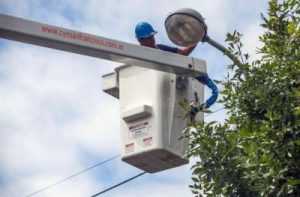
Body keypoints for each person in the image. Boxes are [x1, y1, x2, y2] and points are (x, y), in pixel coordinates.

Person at [135, 21, 218, 115]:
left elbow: (183, 53)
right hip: (151, 97)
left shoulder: (160, 49)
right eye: (148, 38)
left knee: (215, 92)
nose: (152, 39)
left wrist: (198, 38)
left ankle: (194, 110)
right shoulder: (134, 56)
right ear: (140, 40)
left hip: (170, 92)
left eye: (152, 36)